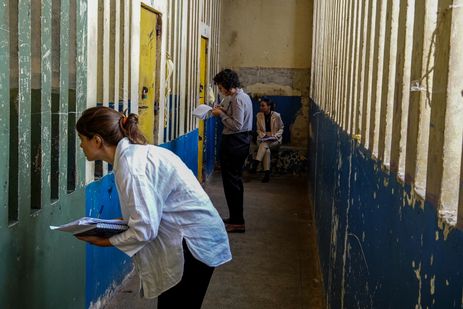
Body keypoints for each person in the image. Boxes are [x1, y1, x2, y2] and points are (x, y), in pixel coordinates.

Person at [75, 106, 231, 309]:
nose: (80, 145)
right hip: (194, 237)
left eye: (81, 139)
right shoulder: (134, 157)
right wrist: (105, 226)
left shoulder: (132, 167)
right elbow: (145, 216)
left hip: (193, 245)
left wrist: (102, 241)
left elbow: (144, 230)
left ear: (97, 140)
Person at [211, 69, 253, 233]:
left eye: (221, 87)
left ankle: (237, 221)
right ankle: (235, 217)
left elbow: (237, 125)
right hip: (239, 141)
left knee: (232, 182)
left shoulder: (238, 100)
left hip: (236, 142)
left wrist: (220, 115)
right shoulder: (242, 97)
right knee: (233, 182)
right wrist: (223, 111)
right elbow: (237, 119)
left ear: (227, 86)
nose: (220, 90)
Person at [252, 96, 284, 183]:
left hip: (274, 139)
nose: (261, 107)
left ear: (269, 106)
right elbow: (258, 129)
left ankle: (256, 162)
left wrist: (275, 136)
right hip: (263, 138)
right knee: (266, 150)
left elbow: (281, 128)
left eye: (263, 105)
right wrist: (264, 136)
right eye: (260, 106)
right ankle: (267, 174)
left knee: (264, 145)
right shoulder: (258, 115)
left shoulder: (277, 115)